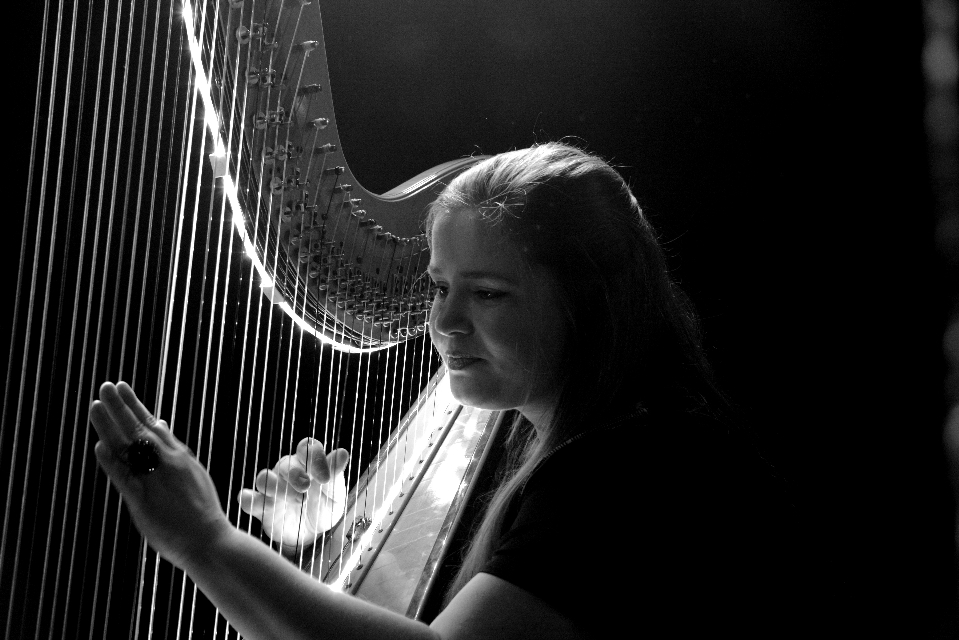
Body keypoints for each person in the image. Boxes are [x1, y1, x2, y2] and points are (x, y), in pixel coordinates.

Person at [90, 142, 807, 639]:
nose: (444, 322)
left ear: (591, 304)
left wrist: (207, 542)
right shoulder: (553, 428)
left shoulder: (639, 468)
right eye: (437, 287)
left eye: (488, 294)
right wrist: (328, 532)